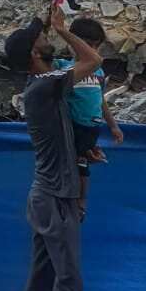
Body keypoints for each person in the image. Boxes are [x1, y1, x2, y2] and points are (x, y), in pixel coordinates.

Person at [3, 5, 102, 291]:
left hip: (46, 196)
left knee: (41, 281)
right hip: (56, 198)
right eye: (42, 38)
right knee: (70, 283)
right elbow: (92, 60)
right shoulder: (45, 84)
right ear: (34, 52)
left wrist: (82, 149)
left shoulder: (40, 88)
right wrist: (63, 29)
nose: (47, 40)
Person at [55, 16, 124, 216]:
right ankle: (73, 200)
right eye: (87, 45)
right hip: (73, 126)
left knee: (83, 164)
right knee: (77, 163)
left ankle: (81, 200)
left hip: (92, 126)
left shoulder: (98, 72)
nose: (92, 50)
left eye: (96, 46)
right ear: (73, 43)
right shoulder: (63, 67)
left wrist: (113, 125)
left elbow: (100, 99)